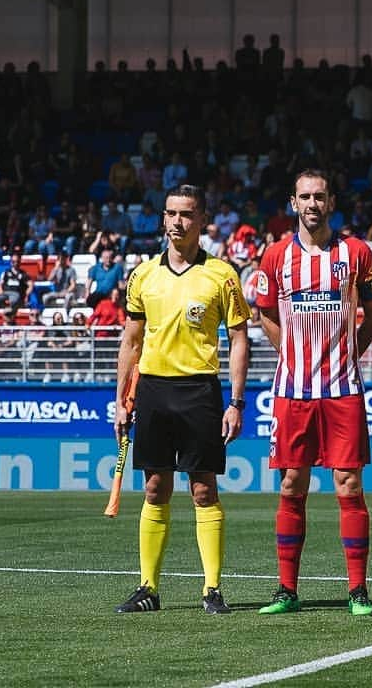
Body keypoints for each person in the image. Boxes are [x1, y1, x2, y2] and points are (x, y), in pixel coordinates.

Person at [112, 184, 250, 615]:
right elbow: (131, 341)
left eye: (187, 214)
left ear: (202, 219)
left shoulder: (222, 275)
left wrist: (237, 401)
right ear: (163, 218)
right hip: (153, 389)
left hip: (199, 390)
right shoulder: (143, 275)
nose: (177, 221)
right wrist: (120, 399)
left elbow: (239, 337)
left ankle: (212, 590)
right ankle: (148, 588)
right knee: (155, 488)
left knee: (203, 489)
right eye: (171, 213)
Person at [255, 170, 372, 616]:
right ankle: (287, 590)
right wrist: (289, 353)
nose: (312, 204)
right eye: (305, 196)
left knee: (348, 484)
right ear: (294, 202)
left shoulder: (356, 253)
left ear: (331, 202)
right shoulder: (274, 257)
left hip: (342, 390)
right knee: (292, 483)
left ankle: (358, 590)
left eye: (320, 197)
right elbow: (266, 313)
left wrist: (350, 351)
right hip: (293, 391)